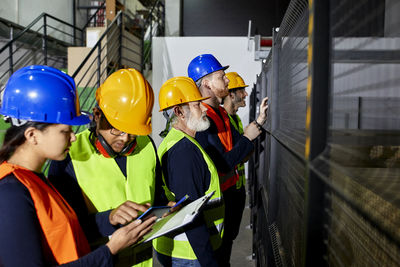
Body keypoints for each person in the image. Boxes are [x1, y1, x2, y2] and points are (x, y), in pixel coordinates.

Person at [0, 65, 156, 267]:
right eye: (65, 131)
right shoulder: (11, 193)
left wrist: (109, 218)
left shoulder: (35, 182)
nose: (73, 137)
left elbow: (70, 235)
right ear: (32, 135)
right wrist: (110, 250)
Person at [48, 68, 167, 267]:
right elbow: (63, 230)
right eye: (117, 129)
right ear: (96, 115)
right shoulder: (68, 156)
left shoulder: (147, 145)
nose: (126, 138)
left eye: (132, 131)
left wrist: (167, 208)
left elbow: (157, 194)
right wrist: (109, 218)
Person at [188, 54, 268, 266]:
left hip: (230, 196)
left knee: (224, 255)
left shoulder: (221, 114)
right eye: (221, 77)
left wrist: (249, 135)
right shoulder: (202, 119)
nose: (227, 81)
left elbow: (236, 152)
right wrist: (248, 138)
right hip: (216, 203)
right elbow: (222, 164)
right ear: (206, 83)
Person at [154, 77, 224, 266]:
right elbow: (191, 214)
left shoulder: (181, 142)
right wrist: (209, 262)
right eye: (197, 105)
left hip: (187, 252)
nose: (204, 109)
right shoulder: (183, 152)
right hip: (190, 256)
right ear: (179, 112)